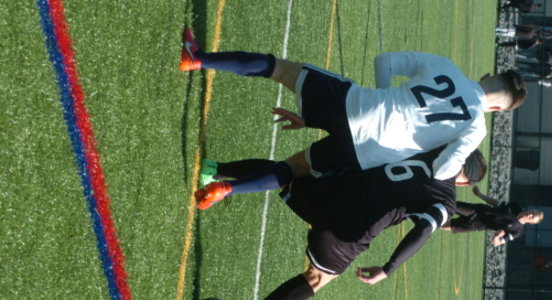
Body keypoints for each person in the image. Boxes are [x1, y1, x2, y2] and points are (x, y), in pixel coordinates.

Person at [179, 28, 526, 208]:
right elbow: (443, 170)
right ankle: (227, 188)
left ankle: (197, 58)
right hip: (370, 152)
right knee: (293, 168)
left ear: (486, 77)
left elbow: (385, 61)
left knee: (280, 69)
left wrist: (385, 101)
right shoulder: (475, 128)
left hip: (359, 105)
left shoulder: (448, 67)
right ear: (497, 109)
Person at [208, 149, 486, 300]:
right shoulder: (446, 201)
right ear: (463, 183)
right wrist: (388, 268)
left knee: (286, 173)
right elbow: (423, 231)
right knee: (317, 278)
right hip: (347, 234)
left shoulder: (431, 149)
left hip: (335, 192)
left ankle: (215, 170)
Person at [441, 186, 543, 247]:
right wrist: (479, 194)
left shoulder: (517, 231)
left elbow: (497, 243)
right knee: (449, 205)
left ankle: (432, 221)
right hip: (477, 210)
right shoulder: (515, 206)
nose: (530, 215)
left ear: (532, 223)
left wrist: (497, 236)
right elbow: (496, 203)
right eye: (532, 212)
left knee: (444, 226)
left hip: (475, 225)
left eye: (532, 217)